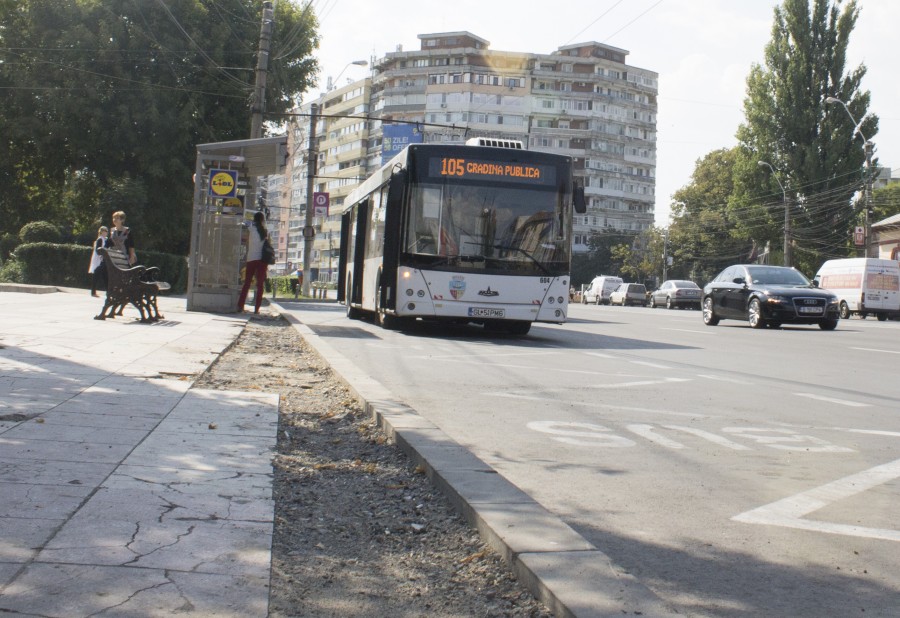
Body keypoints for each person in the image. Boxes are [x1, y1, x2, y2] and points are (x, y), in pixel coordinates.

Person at [237, 211, 269, 314]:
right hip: (262, 261)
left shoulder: (250, 230)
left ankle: (240, 305)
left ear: (254, 220)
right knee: (260, 285)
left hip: (251, 259)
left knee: (246, 283)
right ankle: (257, 309)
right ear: (262, 220)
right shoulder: (265, 232)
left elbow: (245, 241)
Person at [88, 226, 109, 297]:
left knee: (105, 276)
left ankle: (108, 291)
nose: (107, 233)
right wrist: (102, 255)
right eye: (105, 231)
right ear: (102, 232)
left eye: (107, 231)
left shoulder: (104, 239)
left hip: (102, 261)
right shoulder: (100, 239)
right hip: (99, 261)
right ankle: (93, 292)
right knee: (97, 276)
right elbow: (98, 250)